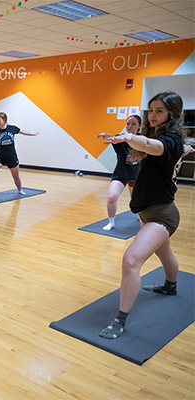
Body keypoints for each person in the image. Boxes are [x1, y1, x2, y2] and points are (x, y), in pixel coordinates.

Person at [96, 91, 186, 339]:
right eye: (152, 110)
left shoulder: (169, 141)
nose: (154, 115)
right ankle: (170, 285)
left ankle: (120, 320)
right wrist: (120, 139)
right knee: (165, 253)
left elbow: (149, 146)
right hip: (147, 212)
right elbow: (144, 143)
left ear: (172, 114)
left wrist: (130, 137)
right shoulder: (158, 136)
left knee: (131, 260)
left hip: (163, 215)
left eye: (160, 111)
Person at [96, 114, 142, 230]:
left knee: (136, 200)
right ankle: (111, 222)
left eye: (133, 124)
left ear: (139, 126)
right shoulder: (120, 138)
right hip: (121, 174)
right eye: (128, 123)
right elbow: (113, 138)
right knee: (112, 197)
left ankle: (139, 215)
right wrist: (106, 136)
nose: (130, 126)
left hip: (137, 175)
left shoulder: (143, 140)